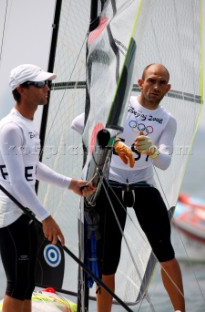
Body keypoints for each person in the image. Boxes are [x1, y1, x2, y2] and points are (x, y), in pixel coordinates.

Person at [71, 63, 185, 312]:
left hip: (142, 185)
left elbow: (164, 162)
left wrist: (152, 150)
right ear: (140, 82)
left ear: (168, 88)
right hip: (110, 184)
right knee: (107, 260)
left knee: (165, 251)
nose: (155, 87)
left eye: (161, 83)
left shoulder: (167, 120)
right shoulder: (121, 107)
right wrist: (115, 141)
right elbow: (79, 123)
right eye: (151, 81)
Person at [0, 64, 96, 312]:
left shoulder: (27, 124)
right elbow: (17, 182)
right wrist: (46, 218)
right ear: (22, 89)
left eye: (46, 83)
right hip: (8, 214)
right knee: (17, 284)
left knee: (26, 283)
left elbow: (33, 167)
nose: (47, 88)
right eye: (41, 84)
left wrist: (70, 184)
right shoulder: (10, 128)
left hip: (24, 212)